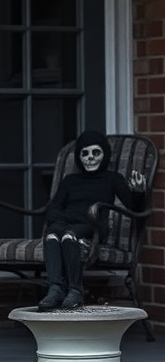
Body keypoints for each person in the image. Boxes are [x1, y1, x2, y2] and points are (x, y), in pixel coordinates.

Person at [38, 130, 146, 311]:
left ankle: (75, 290)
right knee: (52, 235)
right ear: (79, 157)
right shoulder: (70, 180)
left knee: (68, 236)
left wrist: (138, 192)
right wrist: (60, 220)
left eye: (96, 153)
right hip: (67, 223)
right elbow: (54, 207)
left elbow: (133, 208)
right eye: (85, 153)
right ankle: (55, 289)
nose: (90, 158)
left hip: (93, 225)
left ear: (104, 155)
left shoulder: (112, 179)